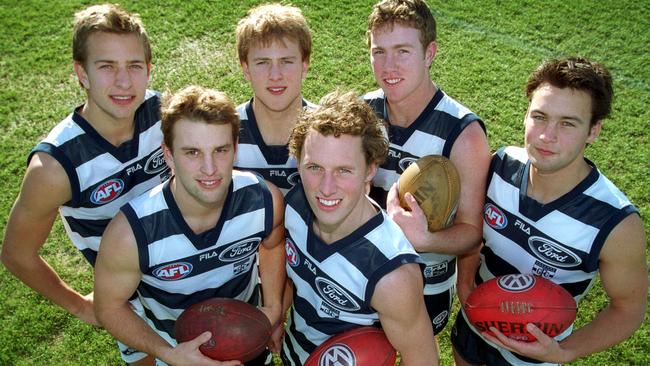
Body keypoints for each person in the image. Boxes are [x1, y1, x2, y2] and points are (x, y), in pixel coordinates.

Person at [452, 57, 648, 366]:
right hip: (472, 332)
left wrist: (565, 351)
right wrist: (465, 284)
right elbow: (472, 232)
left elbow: (628, 309)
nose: (547, 136)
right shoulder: (499, 166)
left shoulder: (615, 222)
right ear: (525, 115)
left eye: (567, 123)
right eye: (539, 117)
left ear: (593, 131)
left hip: (534, 360)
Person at [0, 4, 168, 364]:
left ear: (148, 70)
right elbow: (17, 254)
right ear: (82, 73)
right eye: (107, 67)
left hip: (187, 274)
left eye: (134, 66)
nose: (124, 82)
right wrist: (80, 307)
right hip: (127, 298)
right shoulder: (54, 166)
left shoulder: (164, 113)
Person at [93, 85, 286, 366]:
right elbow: (108, 307)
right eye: (192, 153)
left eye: (220, 150)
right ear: (169, 155)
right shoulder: (132, 233)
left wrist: (273, 308)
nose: (209, 168)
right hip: (177, 354)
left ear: (235, 148)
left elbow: (272, 245)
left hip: (244, 344)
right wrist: (169, 353)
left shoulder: (263, 200)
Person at [279, 90, 439, 365]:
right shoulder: (294, 206)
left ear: (369, 170)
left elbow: (422, 359)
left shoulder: (392, 274)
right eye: (315, 167)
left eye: (344, 170)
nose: (326, 188)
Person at [363, 0, 492, 340]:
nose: (388, 65)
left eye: (403, 51)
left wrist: (426, 238)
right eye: (379, 52)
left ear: (429, 52)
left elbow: (472, 232)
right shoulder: (363, 111)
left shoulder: (463, 134)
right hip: (363, 270)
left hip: (425, 282)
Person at [234, 3, 315, 194]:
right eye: (263, 62)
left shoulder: (328, 130)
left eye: (286, 61)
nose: (275, 75)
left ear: (304, 64)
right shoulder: (225, 131)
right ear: (246, 68)